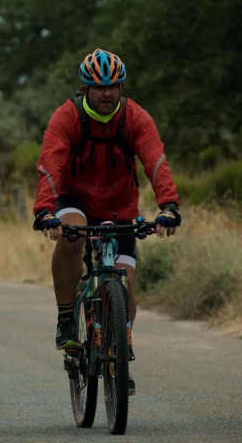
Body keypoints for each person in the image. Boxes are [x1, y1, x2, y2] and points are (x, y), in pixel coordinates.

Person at [33, 49, 181, 395]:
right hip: (75, 199)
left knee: (125, 281)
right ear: (84, 88)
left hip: (120, 207)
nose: (107, 93)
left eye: (113, 86)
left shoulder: (135, 117)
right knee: (70, 237)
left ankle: (120, 349)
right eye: (98, 87)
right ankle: (67, 317)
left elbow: (155, 161)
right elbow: (50, 165)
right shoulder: (66, 117)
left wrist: (169, 206)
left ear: (121, 86)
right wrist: (45, 211)